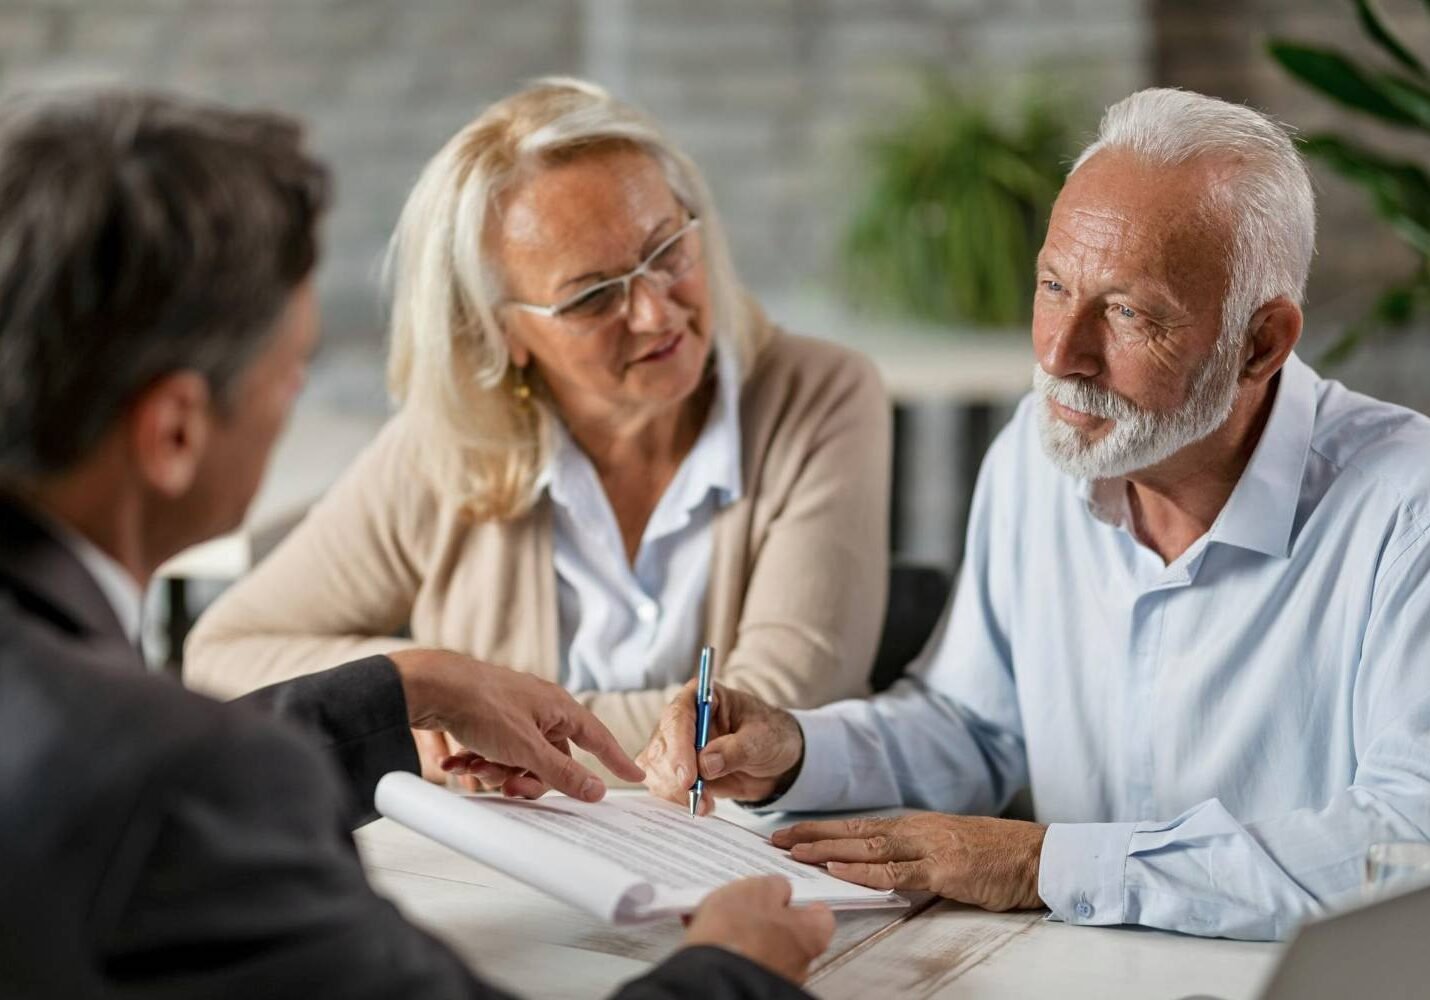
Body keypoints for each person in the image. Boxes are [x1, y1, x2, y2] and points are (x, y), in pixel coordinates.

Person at [0, 88, 834, 999]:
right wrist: (734, 971)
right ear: (174, 434)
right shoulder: (191, 785)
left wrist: (404, 691)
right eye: (294, 373)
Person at [638, 87, 1430, 942]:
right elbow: (974, 727)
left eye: (1127, 312)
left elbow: (1406, 849)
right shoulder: (1038, 449)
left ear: (1262, 343)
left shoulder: (1406, 509)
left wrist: (1041, 864)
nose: (1059, 354)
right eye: (1054, 285)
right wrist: (794, 749)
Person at [182, 77, 891, 786]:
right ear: (499, 331)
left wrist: (494, 722)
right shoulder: (450, 445)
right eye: (592, 295)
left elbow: (774, 720)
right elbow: (222, 653)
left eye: (667, 249)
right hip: (505, 875)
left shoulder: (821, 395)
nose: (655, 313)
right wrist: (425, 688)